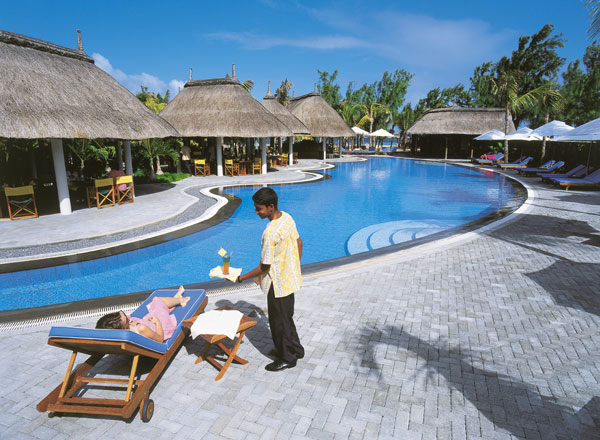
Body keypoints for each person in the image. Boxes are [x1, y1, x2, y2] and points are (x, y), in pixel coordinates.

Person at [236, 187, 304, 371]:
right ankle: (296, 349)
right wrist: (293, 267)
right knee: (286, 317)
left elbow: (264, 267)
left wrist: (240, 278)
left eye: (259, 208)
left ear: (270, 207)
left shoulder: (270, 233)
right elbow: (299, 243)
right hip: (289, 280)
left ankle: (287, 358)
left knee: (278, 323)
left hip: (278, 284)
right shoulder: (287, 218)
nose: (256, 212)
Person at [96, 286, 190, 342]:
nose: (129, 316)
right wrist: (157, 322)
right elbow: (160, 339)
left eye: (123, 314)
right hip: (162, 327)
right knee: (157, 301)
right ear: (122, 328)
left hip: (150, 323)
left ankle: (175, 299)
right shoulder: (141, 328)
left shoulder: (122, 333)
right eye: (127, 320)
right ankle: (180, 300)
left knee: (157, 303)